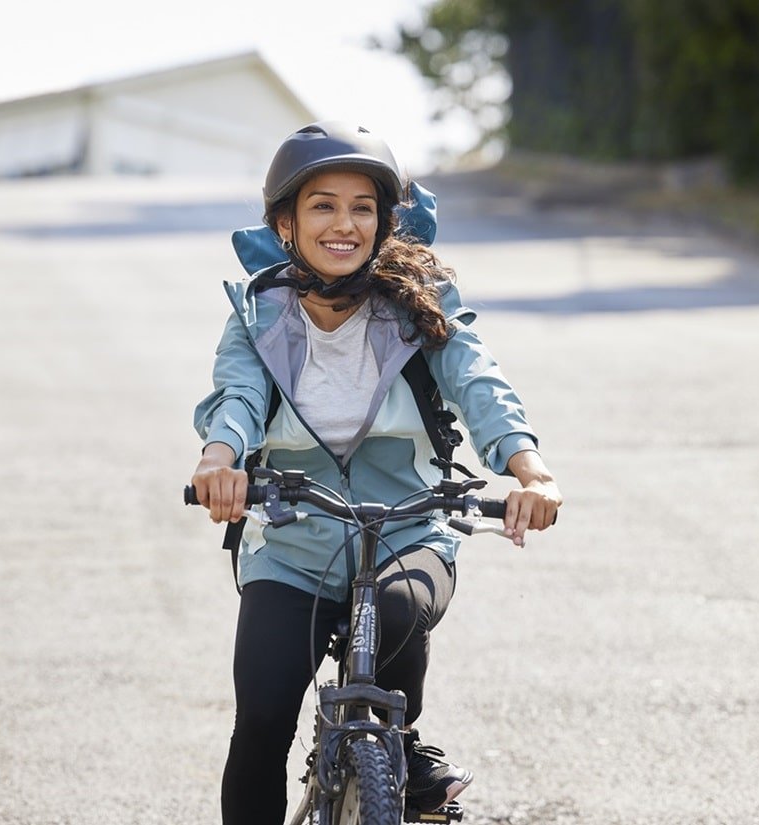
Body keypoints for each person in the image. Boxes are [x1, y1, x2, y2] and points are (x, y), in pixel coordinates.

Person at [190, 121, 562, 825]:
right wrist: (220, 461)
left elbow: (476, 381)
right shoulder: (257, 314)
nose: (344, 223)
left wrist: (529, 469)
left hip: (408, 528)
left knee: (395, 612)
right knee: (263, 717)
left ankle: (398, 748)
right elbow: (234, 398)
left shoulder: (419, 305)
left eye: (362, 207)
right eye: (322, 205)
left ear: (385, 221)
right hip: (294, 541)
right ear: (285, 222)